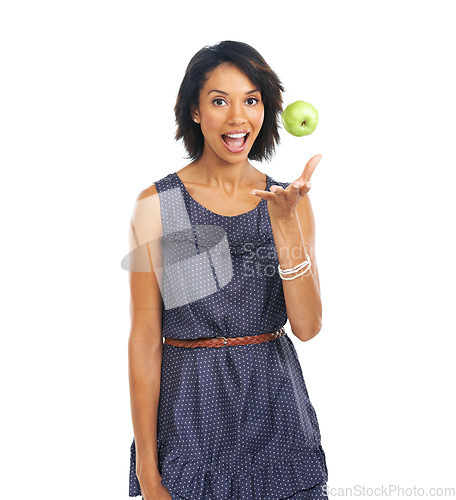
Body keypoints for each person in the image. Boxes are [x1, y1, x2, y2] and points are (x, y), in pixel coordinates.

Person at [127, 40, 328, 500]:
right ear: (195, 111)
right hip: (188, 420)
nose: (238, 117)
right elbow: (143, 341)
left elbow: (308, 327)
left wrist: (284, 225)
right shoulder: (157, 205)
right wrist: (148, 471)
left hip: (276, 416)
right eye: (220, 101)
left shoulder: (289, 202)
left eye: (251, 100)